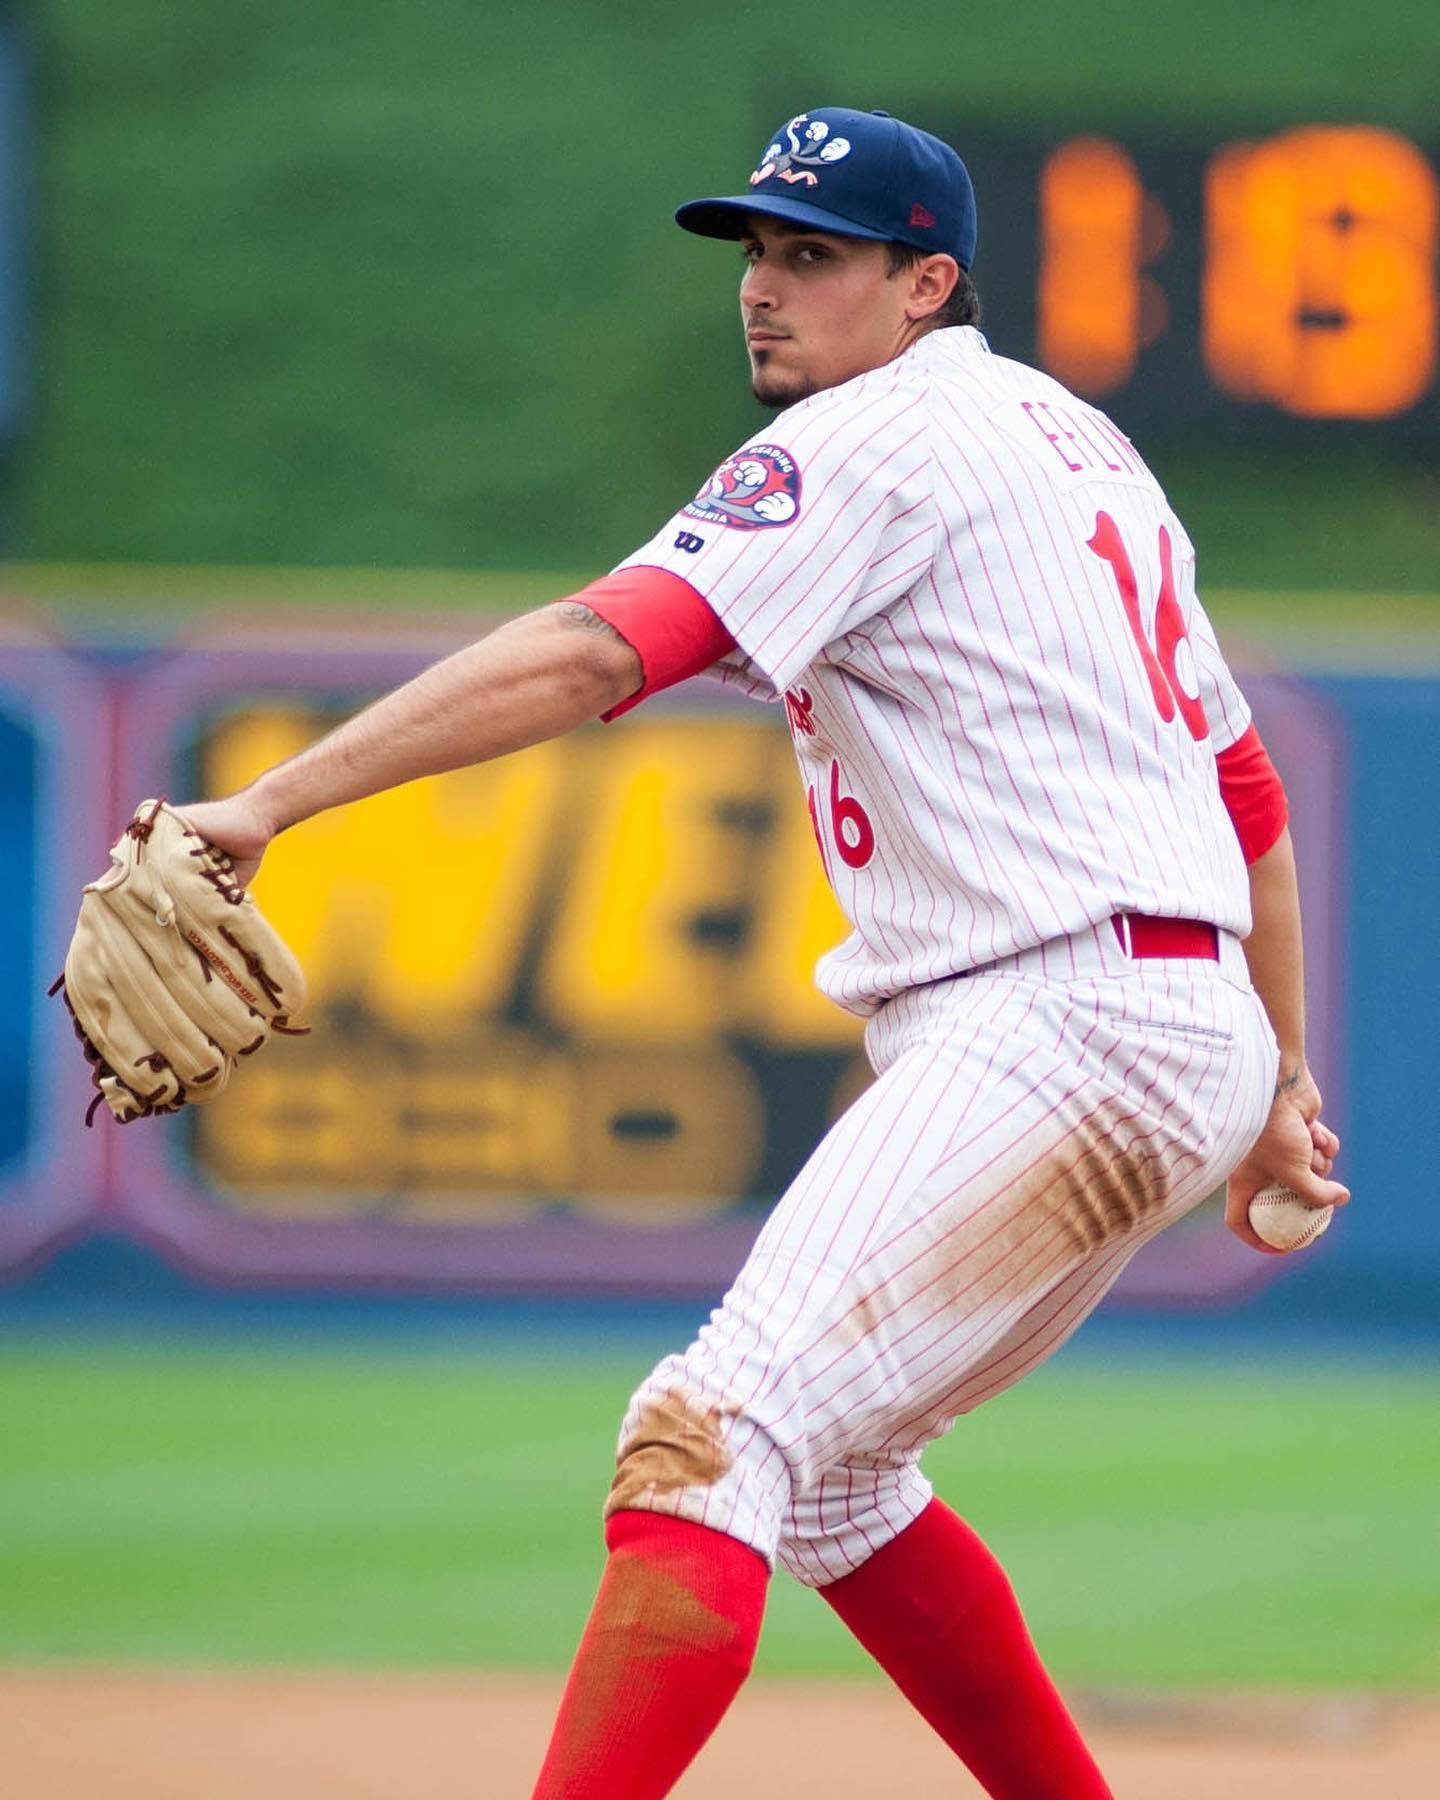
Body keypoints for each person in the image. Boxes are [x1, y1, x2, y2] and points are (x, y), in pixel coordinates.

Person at [180, 107, 1348, 1799]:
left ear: (926, 283)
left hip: (1060, 1021)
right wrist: (1279, 1072)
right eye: (756, 250)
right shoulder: (1075, 439)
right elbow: (1240, 787)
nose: (763, 288)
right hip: (1157, 1018)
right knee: (840, 1479)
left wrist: (273, 799)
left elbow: (598, 653)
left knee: (705, 1437)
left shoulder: (869, 440)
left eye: (815, 254)